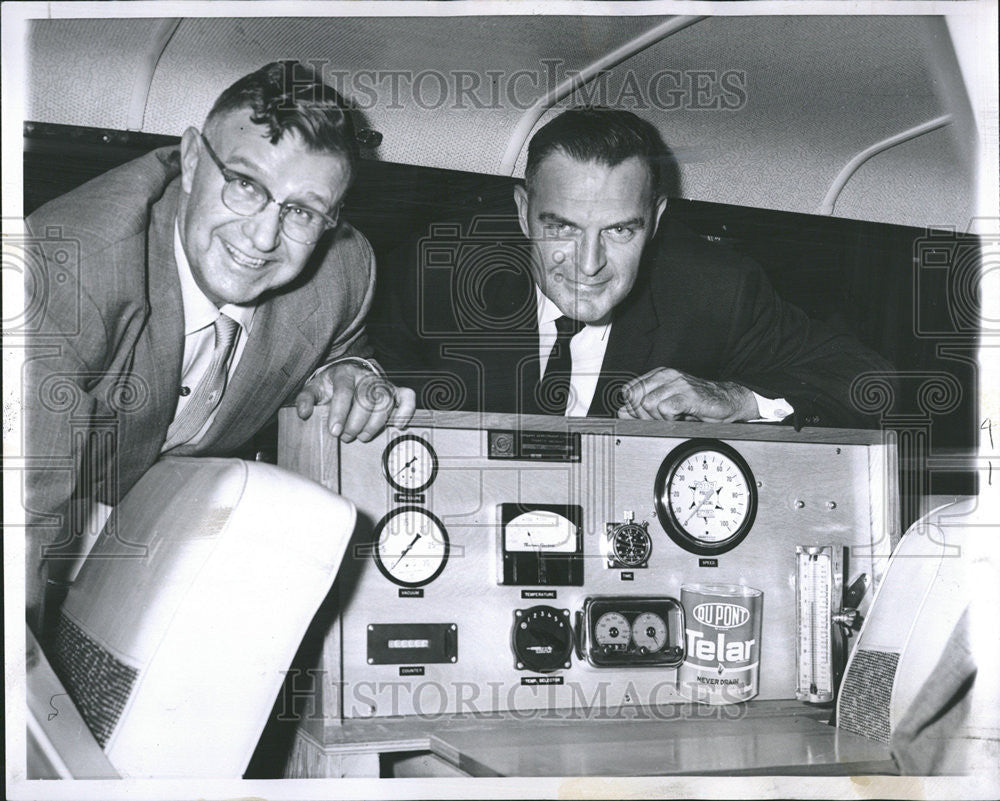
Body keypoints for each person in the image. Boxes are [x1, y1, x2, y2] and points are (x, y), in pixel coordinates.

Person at [23, 62, 415, 634]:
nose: (263, 238)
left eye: (301, 211)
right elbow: (20, 509)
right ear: (189, 160)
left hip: (164, 547)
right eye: (246, 185)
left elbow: (344, 342)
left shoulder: (344, 272)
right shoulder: (67, 268)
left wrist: (348, 371)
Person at [370, 107, 892, 425]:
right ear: (522, 212)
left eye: (621, 230)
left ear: (656, 219)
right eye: (564, 227)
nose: (590, 264)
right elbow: (360, 363)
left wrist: (737, 398)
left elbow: (872, 382)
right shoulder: (437, 271)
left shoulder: (715, 290)